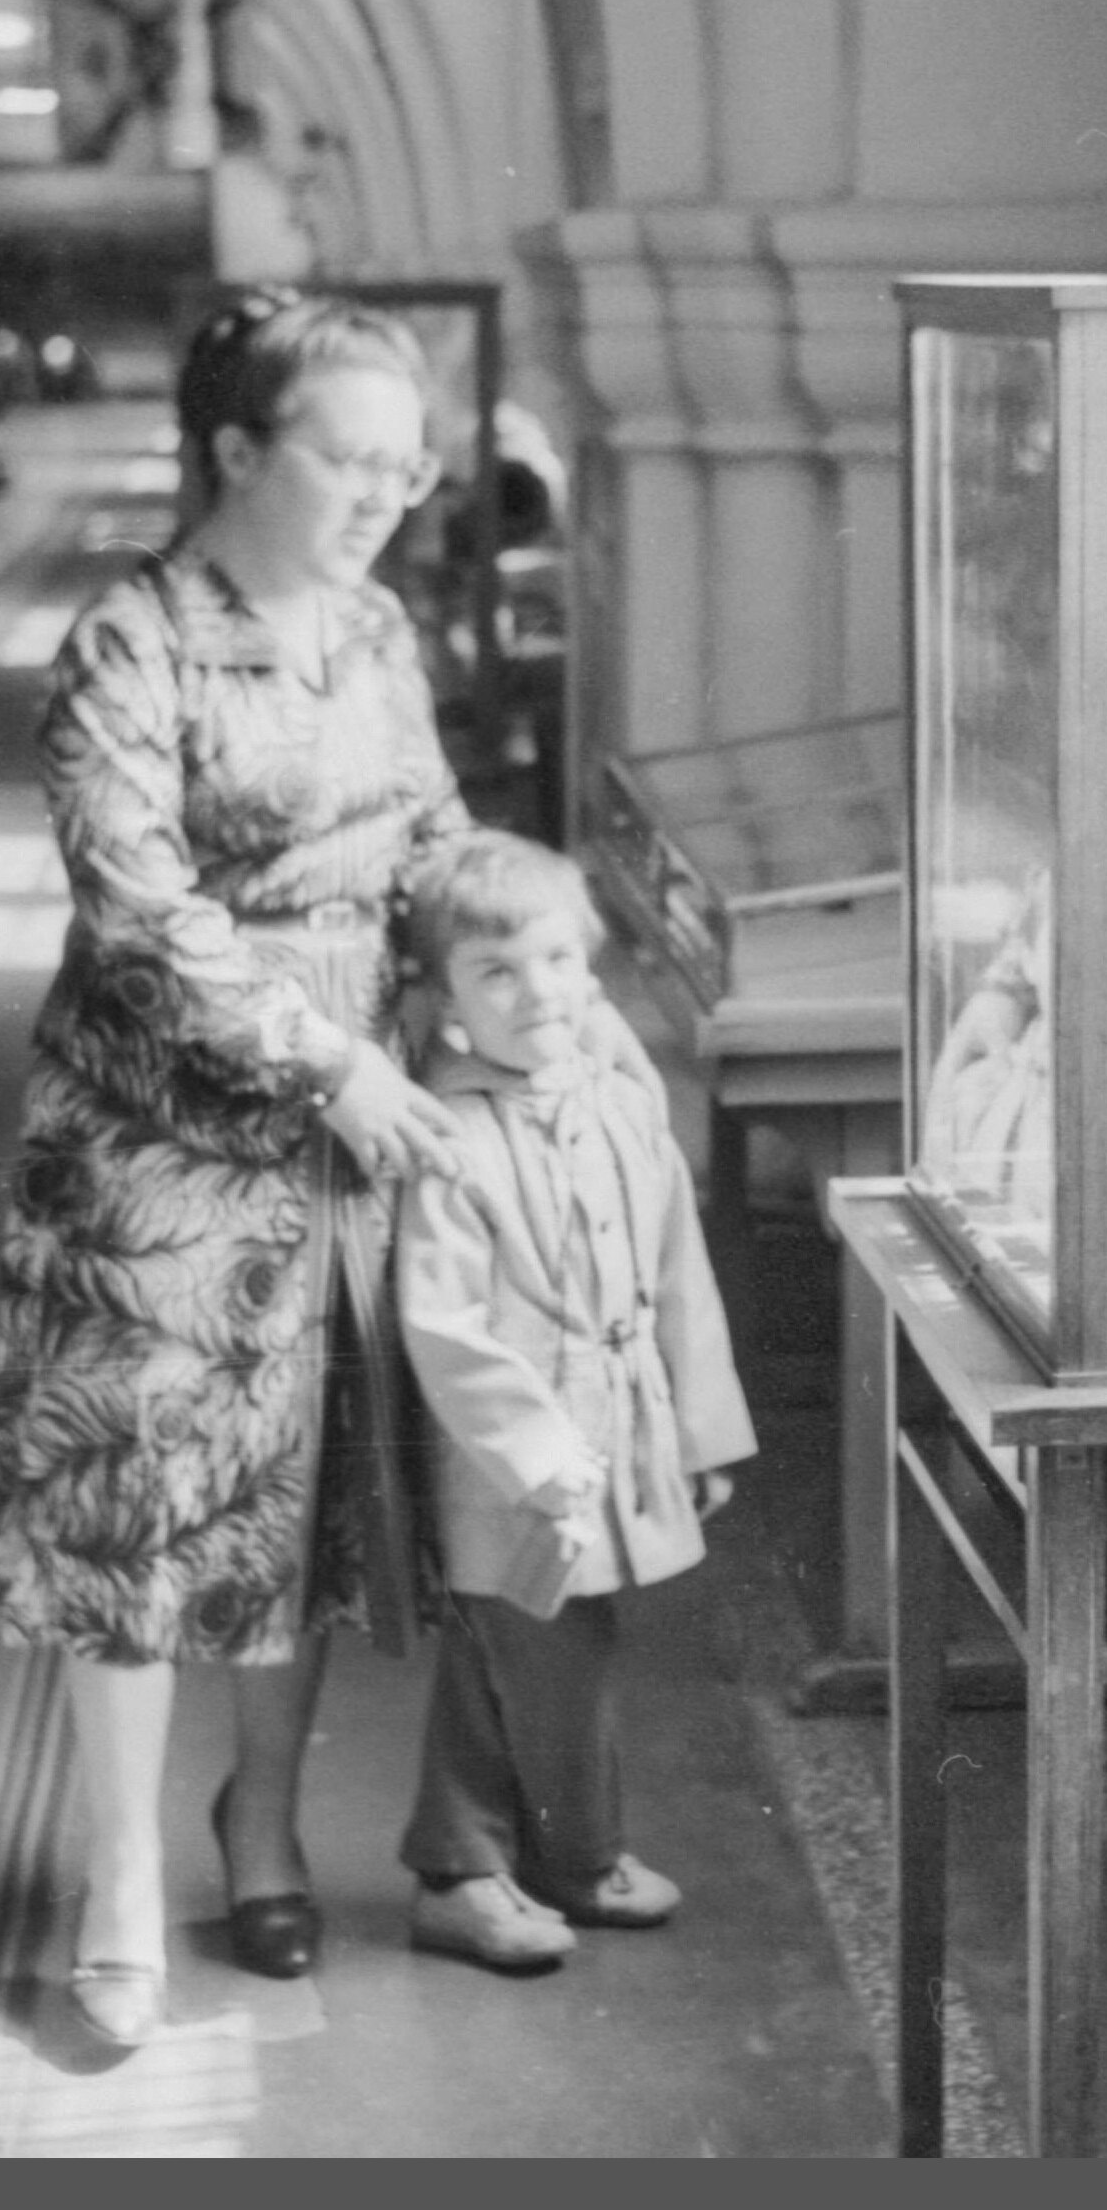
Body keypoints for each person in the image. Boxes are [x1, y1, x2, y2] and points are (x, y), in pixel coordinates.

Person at [0, 288, 651, 2048]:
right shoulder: (130, 644)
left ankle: (259, 1821)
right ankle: (121, 1878)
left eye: (404, 466)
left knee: (301, 1491)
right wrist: (327, 1062)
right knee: (137, 1496)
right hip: (157, 1137)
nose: (387, 497)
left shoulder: (375, 629)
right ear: (234, 451)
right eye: (350, 461)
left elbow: (425, 838)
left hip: (358, 1122)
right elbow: (137, 910)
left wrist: (526, 959)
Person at [389, 833, 758, 1974]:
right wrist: (539, 1457)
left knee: (552, 1645)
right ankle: (490, 1869)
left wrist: (696, 1431)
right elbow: (442, 1324)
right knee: (534, 1646)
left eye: (555, 960)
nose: (536, 992)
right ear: (446, 1002)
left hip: (620, 1427)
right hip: (511, 1464)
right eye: (495, 973)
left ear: (588, 964)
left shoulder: (617, 1104)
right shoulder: (450, 1139)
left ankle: (541, 1857)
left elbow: (677, 1271)